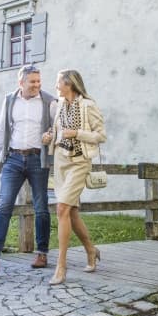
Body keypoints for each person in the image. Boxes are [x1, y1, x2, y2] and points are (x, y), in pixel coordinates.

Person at [0, 64, 57, 274]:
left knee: (41, 207)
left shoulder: (49, 101)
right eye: (32, 81)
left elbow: (58, 128)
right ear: (21, 82)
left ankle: (42, 252)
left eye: (38, 81)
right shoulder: (9, 100)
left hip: (38, 159)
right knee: (4, 204)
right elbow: (1, 129)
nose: (37, 85)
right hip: (13, 159)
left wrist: (51, 136)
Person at [41, 69, 106, 285]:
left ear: (69, 84)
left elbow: (100, 135)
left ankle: (61, 266)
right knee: (72, 212)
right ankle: (91, 250)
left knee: (62, 208)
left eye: (58, 82)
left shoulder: (88, 105)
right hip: (61, 162)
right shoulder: (59, 105)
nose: (56, 86)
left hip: (79, 162)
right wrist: (49, 137)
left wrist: (77, 133)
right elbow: (58, 132)